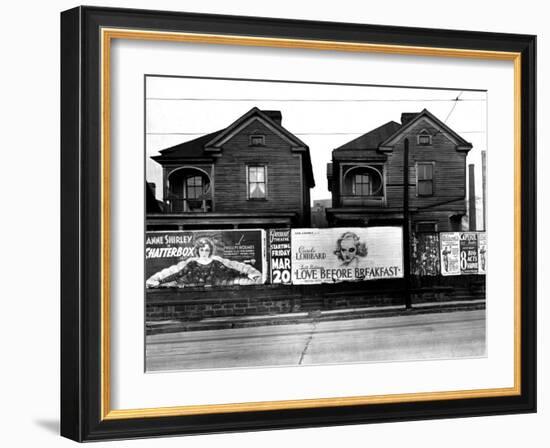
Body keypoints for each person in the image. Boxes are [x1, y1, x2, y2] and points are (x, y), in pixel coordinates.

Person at [146, 237, 262, 288]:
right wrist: (159, 282)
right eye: (202, 249)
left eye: (207, 250)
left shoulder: (215, 262)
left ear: (210, 250)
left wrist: (248, 275)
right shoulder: (192, 264)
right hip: (194, 293)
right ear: (198, 250)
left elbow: (231, 271)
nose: (204, 252)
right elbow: (178, 274)